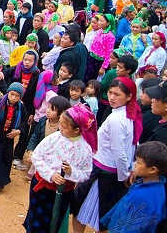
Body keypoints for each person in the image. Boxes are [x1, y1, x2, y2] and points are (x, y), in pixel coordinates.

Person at [72, 77, 143, 233]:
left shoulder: (117, 119)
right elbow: (132, 145)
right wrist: (130, 168)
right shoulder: (130, 115)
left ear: (129, 96)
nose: (112, 97)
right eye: (110, 93)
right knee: (105, 214)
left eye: (117, 94)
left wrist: (125, 173)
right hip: (114, 171)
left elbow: (119, 151)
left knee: (80, 207)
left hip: (103, 171)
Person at [24, 104, 96, 233]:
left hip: (64, 192)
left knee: (54, 222)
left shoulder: (85, 149)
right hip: (42, 189)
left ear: (77, 130)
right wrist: (51, 174)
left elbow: (86, 173)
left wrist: (71, 172)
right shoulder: (53, 138)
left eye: (64, 126)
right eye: (60, 124)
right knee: (37, 221)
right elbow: (36, 156)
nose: (60, 128)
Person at [100, 141, 167, 233]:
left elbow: (133, 228)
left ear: (152, 169)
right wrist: (106, 220)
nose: (134, 164)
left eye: (138, 162)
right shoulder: (157, 187)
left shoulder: (142, 196)